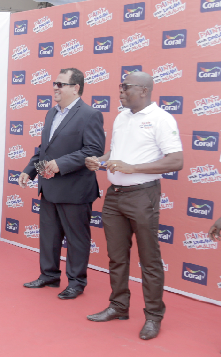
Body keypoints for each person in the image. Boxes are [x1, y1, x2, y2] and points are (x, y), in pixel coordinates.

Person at [85, 72, 183, 341]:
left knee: (149, 260)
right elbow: (116, 154)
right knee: (117, 256)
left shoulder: (161, 119)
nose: (120, 90)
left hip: (143, 196)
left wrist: (133, 168)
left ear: (143, 90)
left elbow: (176, 161)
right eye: (120, 86)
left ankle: (153, 316)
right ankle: (118, 306)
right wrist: (100, 160)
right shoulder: (121, 117)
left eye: (125, 87)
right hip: (114, 196)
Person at [19, 68, 105, 300]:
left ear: (76, 87)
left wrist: (62, 163)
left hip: (76, 190)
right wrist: (30, 171)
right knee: (49, 236)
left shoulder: (90, 114)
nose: (55, 87)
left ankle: (76, 282)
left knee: (77, 239)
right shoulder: (51, 114)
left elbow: (94, 150)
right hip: (49, 189)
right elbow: (44, 150)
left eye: (61, 84)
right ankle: (49, 275)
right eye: (54, 83)